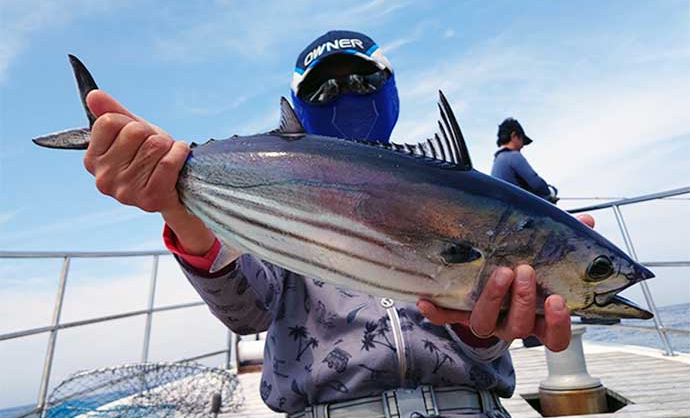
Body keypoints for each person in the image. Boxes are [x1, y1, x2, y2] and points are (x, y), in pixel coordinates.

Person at [82, 31, 593, 418]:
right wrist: (177, 201)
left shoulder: (463, 192)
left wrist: (488, 329)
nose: (346, 92)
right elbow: (249, 310)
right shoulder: (274, 187)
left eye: (362, 79)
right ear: (300, 105)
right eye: (324, 88)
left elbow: (481, 333)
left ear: (389, 86)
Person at [491, 118, 559, 203]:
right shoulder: (513, 156)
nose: (522, 146)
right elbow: (537, 184)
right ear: (514, 136)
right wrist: (551, 191)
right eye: (522, 141)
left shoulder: (497, 160)